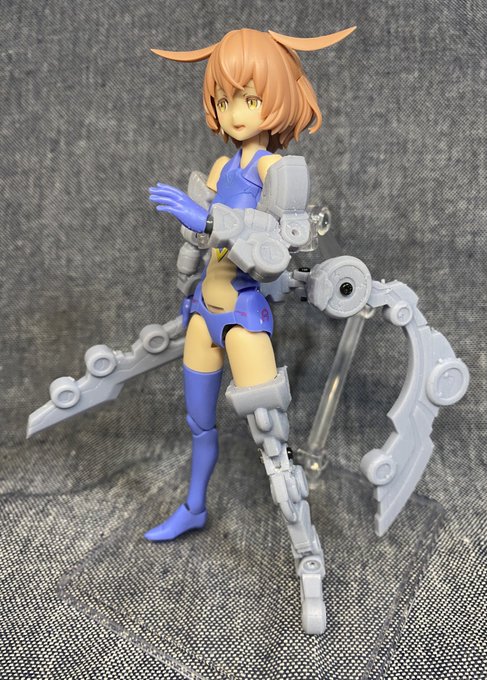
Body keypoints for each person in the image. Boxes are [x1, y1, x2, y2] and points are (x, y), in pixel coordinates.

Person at [146, 27, 355, 634]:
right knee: (199, 425)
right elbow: (197, 242)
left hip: (242, 315)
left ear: (277, 100)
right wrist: (187, 270)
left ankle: (307, 557)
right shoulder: (221, 165)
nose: (235, 113)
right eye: (224, 99)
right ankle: (193, 507)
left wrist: (208, 218)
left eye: (249, 98)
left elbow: (273, 254)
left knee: (272, 442)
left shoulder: (279, 173)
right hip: (202, 314)